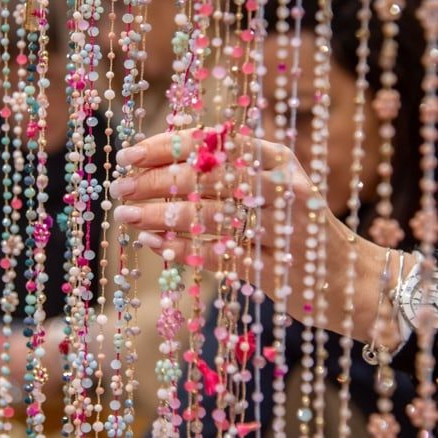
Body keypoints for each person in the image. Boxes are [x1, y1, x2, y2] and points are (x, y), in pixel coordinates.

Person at [111, 0, 430, 434]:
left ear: (394, 108)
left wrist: (373, 284)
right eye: (255, 116)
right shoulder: (282, 252)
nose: (276, 142)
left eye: (302, 114)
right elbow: (206, 412)